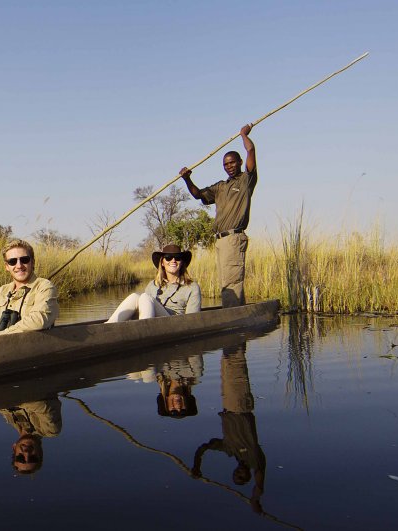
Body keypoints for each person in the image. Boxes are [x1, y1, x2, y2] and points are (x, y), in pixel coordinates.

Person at [178, 123, 257, 308]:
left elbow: (251, 150)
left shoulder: (246, 181)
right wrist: (187, 178)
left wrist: (243, 134)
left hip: (234, 238)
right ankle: (235, 314)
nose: (229, 166)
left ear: (238, 162)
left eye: (232, 162)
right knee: (226, 283)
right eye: (225, 164)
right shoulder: (221, 187)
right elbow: (198, 194)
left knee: (232, 282)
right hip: (220, 241)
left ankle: (233, 318)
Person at [191, 342, 266, 513]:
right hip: (240, 405)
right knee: (235, 358)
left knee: (227, 358)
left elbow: (204, 447)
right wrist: (255, 499)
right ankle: (237, 332)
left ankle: (235, 334)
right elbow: (260, 481)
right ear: (248, 476)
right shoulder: (254, 458)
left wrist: (197, 465)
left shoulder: (228, 449)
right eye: (242, 477)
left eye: (236, 476)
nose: (239, 474)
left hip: (227, 402)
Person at [0, 239, 59, 338]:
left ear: (32, 262)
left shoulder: (45, 286)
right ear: (7, 266)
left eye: (24, 260)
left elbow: (40, 319)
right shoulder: (2, 290)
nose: (19, 265)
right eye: (12, 261)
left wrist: (0, 336)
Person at [105, 244, 201, 323]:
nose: (173, 261)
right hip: (154, 322)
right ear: (162, 262)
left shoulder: (192, 287)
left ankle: (144, 332)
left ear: (182, 262)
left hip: (174, 324)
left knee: (145, 297)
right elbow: (145, 307)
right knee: (135, 296)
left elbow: (192, 321)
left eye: (177, 258)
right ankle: (107, 327)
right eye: (168, 258)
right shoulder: (153, 284)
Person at [0, 398, 62, 475]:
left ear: (14, 447)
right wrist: (7, 402)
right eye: (33, 458)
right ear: (40, 451)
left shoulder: (11, 420)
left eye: (20, 458)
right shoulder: (50, 430)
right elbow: (42, 404)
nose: (27, 453)